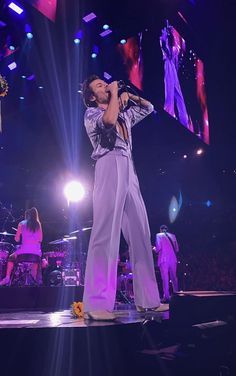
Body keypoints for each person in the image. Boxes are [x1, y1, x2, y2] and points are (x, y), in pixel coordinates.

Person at [81, 75, 168, 320]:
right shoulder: (92, 114)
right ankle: (97, 302)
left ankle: (148, 300)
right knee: (106, 229)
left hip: (128, 166)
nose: (105, 86)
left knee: (140, 232)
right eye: (99, 86)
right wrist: (116, 94)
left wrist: (131, 96)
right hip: (108, 163)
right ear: (91, 96)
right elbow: (108, 120)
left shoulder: (124, 114)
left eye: (105, 83)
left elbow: (149, 108)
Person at [0, 207, 43, 286]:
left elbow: (16, 239)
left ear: (27, 215)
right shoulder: (38, 224)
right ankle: (33, 282)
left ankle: (7, 278)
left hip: (24, 252)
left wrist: (20, 235)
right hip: (36, 252)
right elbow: (40, 239)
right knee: (35, 261)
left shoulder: (21, 223)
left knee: (10, 258)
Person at [160, 24, 189, 128]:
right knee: (170, 91)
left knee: (177, 92)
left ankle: (184, 118)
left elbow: (174, 52)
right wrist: (165, 38)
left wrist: (171, 33)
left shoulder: (170, 40)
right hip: (168, 64)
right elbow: (167, 53)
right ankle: (169, 112)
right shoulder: (162, 40)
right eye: (164, 30)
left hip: (171, 65)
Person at [155, 225, 179, 303]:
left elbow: (158, 248)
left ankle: (167, 297)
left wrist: (154, 249)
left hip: (163, 259)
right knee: (174, 277)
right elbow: (177, 249)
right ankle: (176, 294)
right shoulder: (173, 236)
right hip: (173, 259)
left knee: (165, 278)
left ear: (160, 230)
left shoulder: (158, 235)